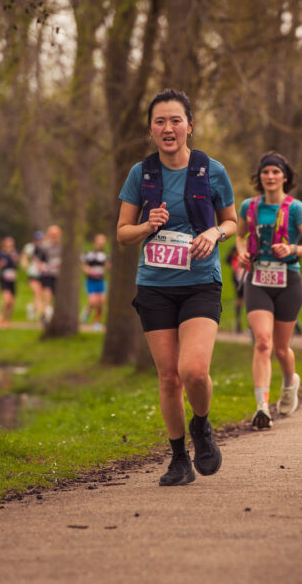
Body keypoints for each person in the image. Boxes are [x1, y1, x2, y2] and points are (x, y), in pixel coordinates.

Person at [116, 88, 237, 485]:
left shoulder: (211, 170)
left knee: (194, 371)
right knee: (169, 376)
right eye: (159, 121)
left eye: (175, 120)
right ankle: (178, 458)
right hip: (155, 285)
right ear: (151, 129)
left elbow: (233, 222)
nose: (168, 128)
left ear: (189, 126)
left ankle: (201, 425)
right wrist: (149, 226)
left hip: (201, 281)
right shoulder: (141, 173)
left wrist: (216, 233)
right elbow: (122, 234)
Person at [234, 151, 302, 429]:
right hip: (257, 278)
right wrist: (243, 252)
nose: (270, 177)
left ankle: (289, 383)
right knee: (262, 342)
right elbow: (239, 235)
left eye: (275, 172)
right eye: (265, 172)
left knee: (281, 349)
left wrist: (292, 248)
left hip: (288, 280)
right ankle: (262, 407)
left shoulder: (296, 208)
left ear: (285, 176)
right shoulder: (249, 205)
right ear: (259, 177)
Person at [81, 233, 110, 331]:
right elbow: (83, 264)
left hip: (101, 281)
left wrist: (107, 267)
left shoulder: (105, 255)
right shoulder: (89, 253)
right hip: (91, 281)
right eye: (101, 239)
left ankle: (96, 322)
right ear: (96, 240)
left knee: (101, 302)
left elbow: (107, 266)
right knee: (93, 301)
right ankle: (87, 311)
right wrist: (87, 269)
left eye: (104, 240)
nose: (102, 242)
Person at [36, 224, 62, 325]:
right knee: (47, 295)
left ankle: (55, 316)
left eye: (56, 234)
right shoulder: (44, 246)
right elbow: (39, 260)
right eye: (52, 234)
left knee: (58, 297)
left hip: (59, 276)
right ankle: (46, 316)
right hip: (47, 274)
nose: (54, 236)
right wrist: (41, 266)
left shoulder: (63, 246)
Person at [0, 236, 19, 328]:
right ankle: (0, 315)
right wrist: (1, 264)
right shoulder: (0, 254)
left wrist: (15, 259)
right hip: (3, 279)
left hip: (12, 280)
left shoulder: (15, 253)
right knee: (7, 299)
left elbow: (17, 266)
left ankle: (8, 320)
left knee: (12, 301)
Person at [20, 231, 44, 321]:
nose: (39, 241)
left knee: (41, 294)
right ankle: (42, 315)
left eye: (40, 239)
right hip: (33, 274)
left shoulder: (44, 247)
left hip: (43, 274)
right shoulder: (29, 247)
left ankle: (31, 307)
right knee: (37, 293)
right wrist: (25, 264)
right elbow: (24, 257)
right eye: (37, 239)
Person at [225, 246, 247, 333]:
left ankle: (250, 326)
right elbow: (227, 259)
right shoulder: (236, 247)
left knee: (250, 302)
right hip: (238, 278)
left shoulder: (253, 244)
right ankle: (238, 324)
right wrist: (235, 265)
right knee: (240, 300)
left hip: (249, 276)